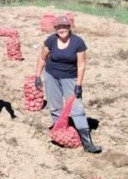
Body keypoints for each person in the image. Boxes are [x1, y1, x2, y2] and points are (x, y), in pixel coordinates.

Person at [33, 15, 102, 153]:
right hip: (52, 76)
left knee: (77, 108)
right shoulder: (51, 40)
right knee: (54, 106)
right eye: (59, 27)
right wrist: (37, 76)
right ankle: (60, 133)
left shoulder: (77, 42)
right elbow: (42, 58)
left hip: (70, 77)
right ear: (55, 29)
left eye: (64, 27)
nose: (62, 30)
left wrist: (78, 84)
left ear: (69, 28)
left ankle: (87, 143)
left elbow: (81, 65)